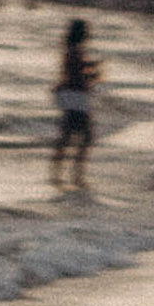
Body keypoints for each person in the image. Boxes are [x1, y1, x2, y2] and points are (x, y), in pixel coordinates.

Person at [50, 16, 99, 185]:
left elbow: (72, 73)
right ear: (82, 34)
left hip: (71, 96)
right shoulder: (76, 52)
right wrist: (93, 73)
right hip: (77, 98)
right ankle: (75, 176)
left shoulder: (71, 50)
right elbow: (80, 76)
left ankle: (59, 174)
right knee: (85, 137)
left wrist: (90, 69)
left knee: (67, 135)